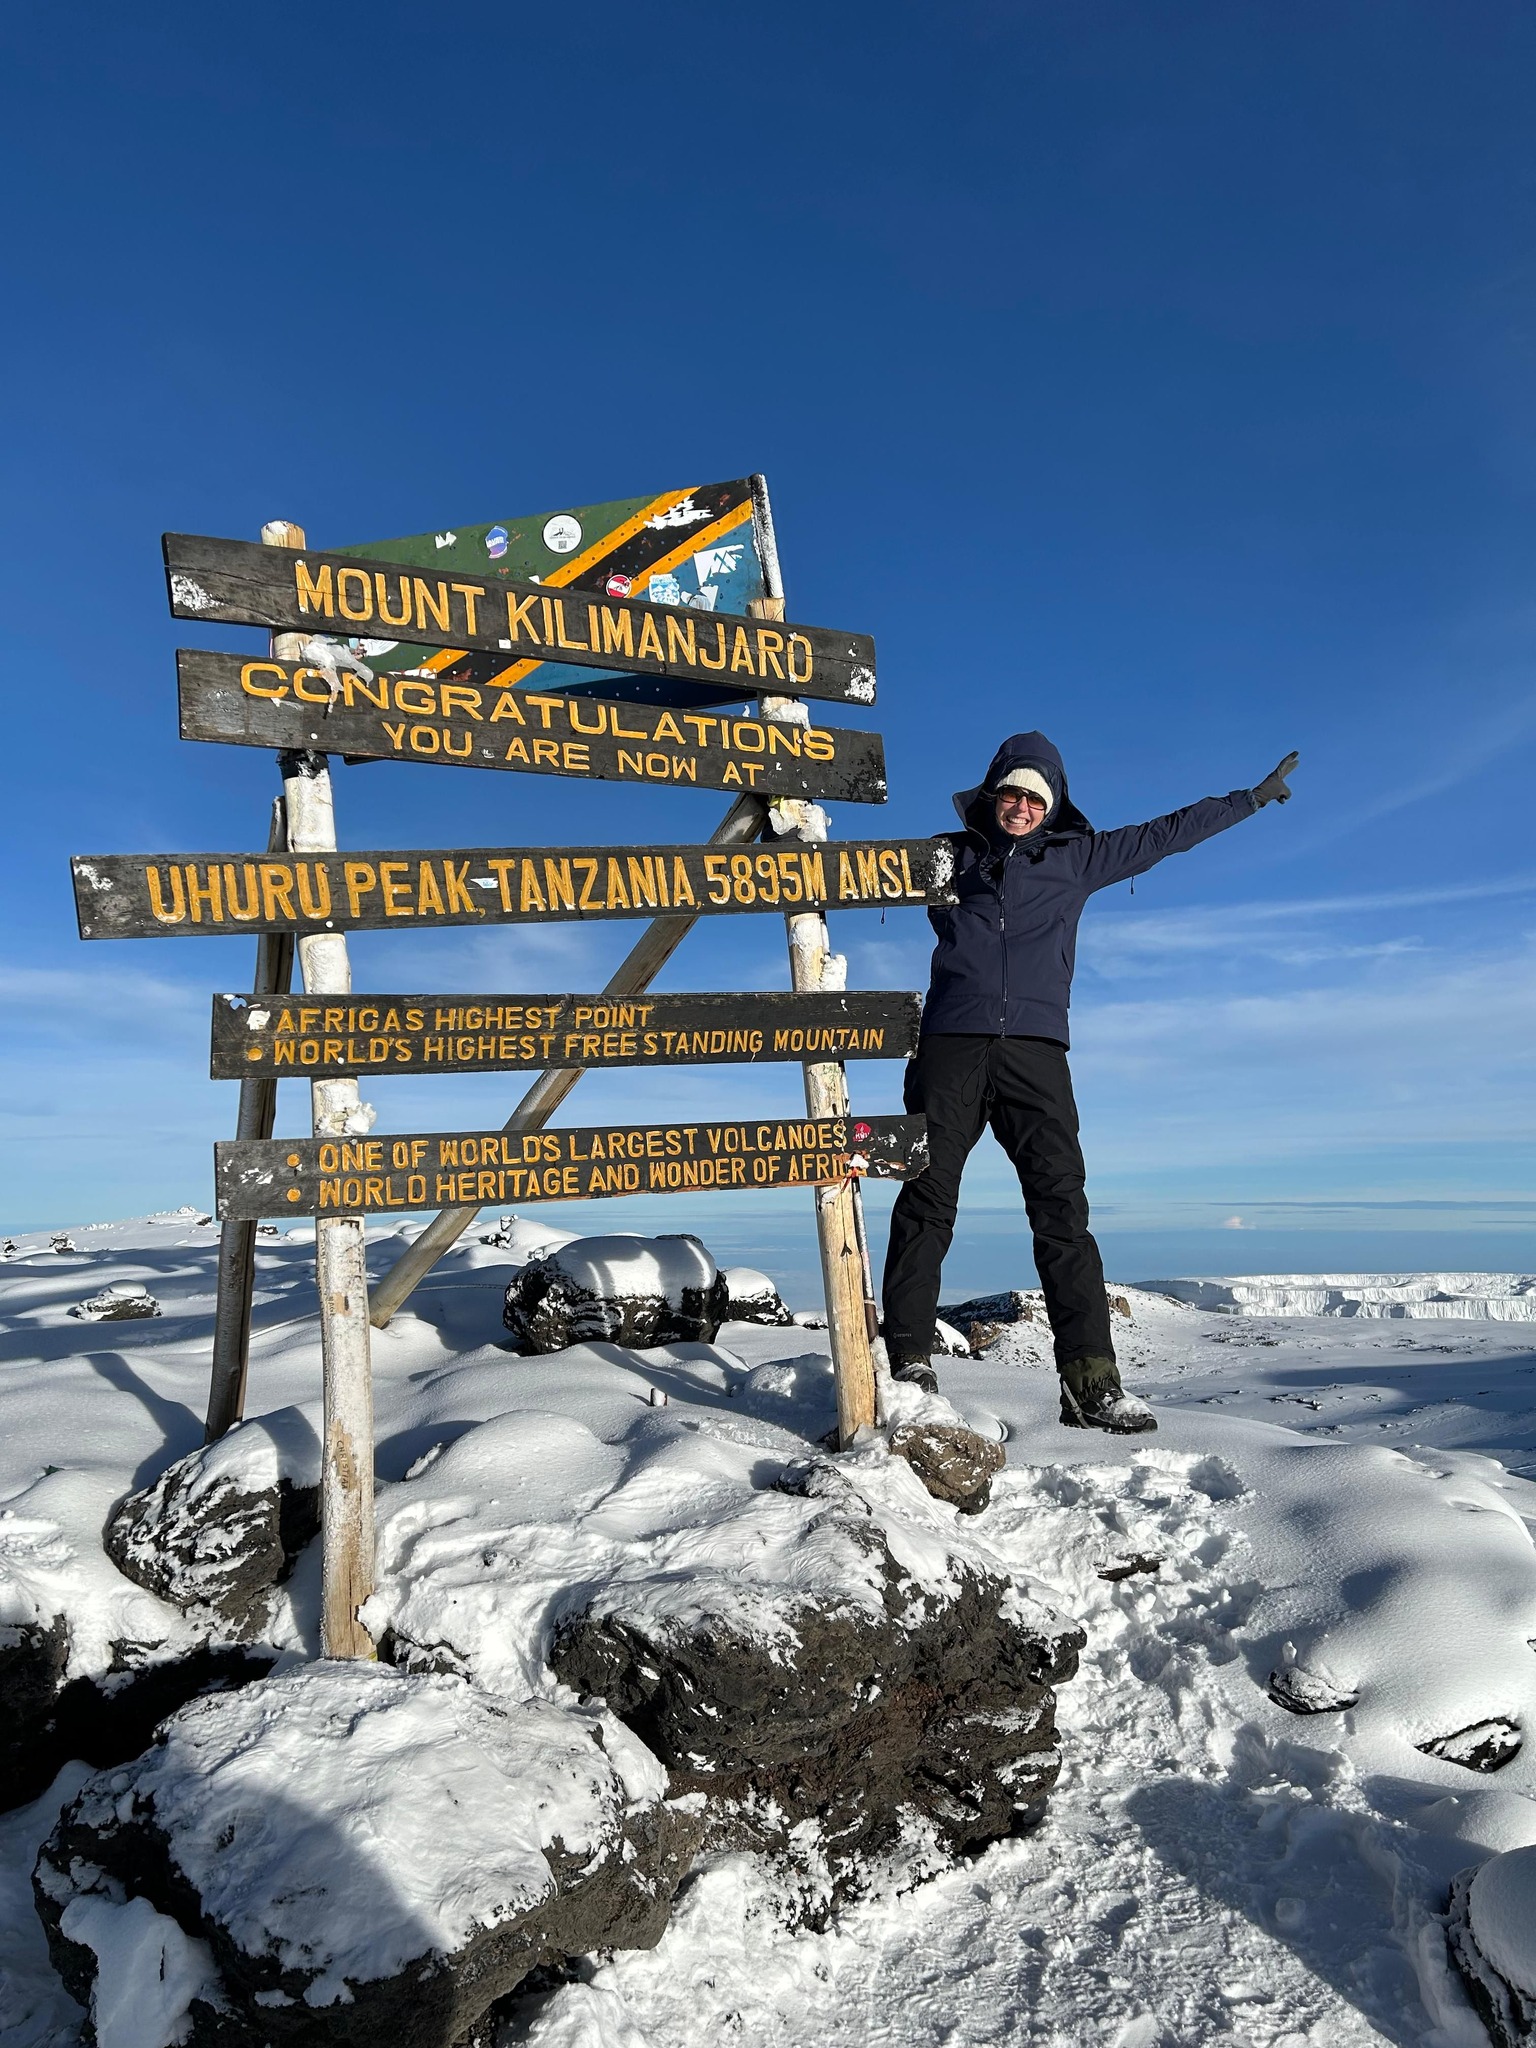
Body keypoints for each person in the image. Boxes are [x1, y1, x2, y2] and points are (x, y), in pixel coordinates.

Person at [881, 733, 1298, 1432]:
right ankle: (907, 1363)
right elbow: (838, 871)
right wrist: (783, 830)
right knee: (928, 1199)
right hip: (951, 1045)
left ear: (1052, 805)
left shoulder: (1080, 858)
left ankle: (1090, 1382)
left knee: (1062, 1214)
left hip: (1037, 1054)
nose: (1020, 807)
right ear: (992, 796)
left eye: (1034, 798)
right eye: (1011, 794)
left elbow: (1169, 833)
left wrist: (1251, 799)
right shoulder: (945, 855)